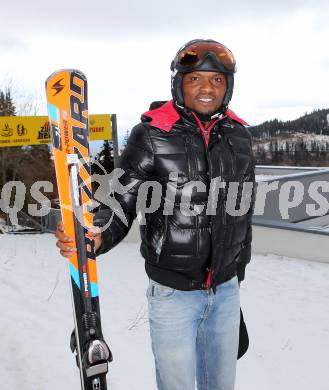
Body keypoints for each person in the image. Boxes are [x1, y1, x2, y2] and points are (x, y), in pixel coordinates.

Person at [55, 38, 255, 390]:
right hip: (173, 294)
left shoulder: (238, 136)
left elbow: (242, 211)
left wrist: (235, 276)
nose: (207, 88)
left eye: (217, 80)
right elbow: (123, 199)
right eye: (196, 79)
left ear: (228, 87)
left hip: (225, 292)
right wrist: (97, 234)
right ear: (179, 84)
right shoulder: (151, 134)